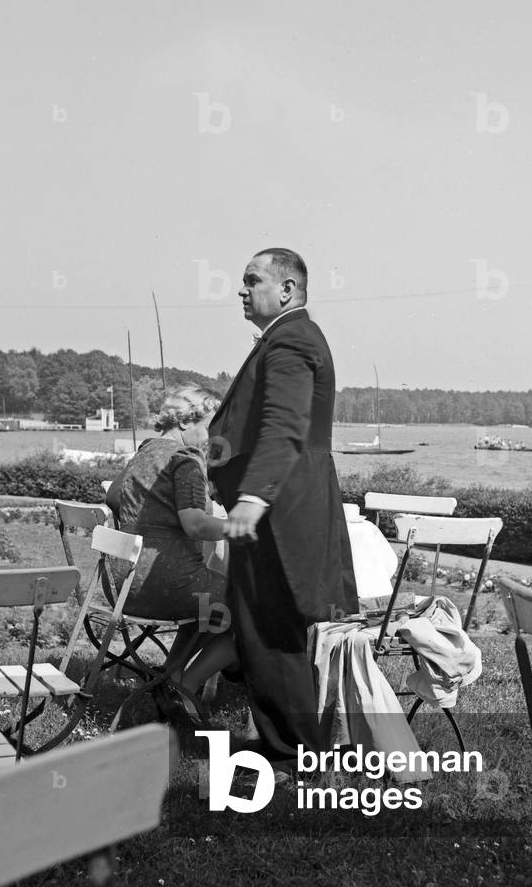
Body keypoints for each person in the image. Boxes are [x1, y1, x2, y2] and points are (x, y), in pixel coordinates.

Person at [208, 248, 358, 771]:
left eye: (252, 280)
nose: (241, 291)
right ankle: (281, 742)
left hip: (282, 509)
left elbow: (284, 424)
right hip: (279, 504)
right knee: (258, 624)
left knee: (275, 626)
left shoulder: (292, 337)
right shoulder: (284, 336)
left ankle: (298, 752)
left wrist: (253, 496)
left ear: (288, 289)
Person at [105, 384, 237, 700]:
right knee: (251, 611)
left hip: (126, 585)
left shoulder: (146, 451)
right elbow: (195, 524)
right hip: (169, 582)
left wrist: (147, 521)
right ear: (184, 423)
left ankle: (170, 675)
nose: (211, 439)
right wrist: (240, 526)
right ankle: (185, 687)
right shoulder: (185, 458)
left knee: (208, 605)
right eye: (208, 428)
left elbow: (112, 496)